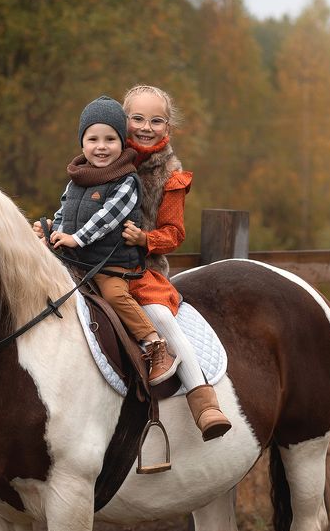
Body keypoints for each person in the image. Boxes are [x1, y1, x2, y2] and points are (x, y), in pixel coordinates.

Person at [34, 95, 179, 385]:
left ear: (122, 143)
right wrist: (51, 234)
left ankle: (154, 344)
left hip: (109, 265)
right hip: (76, 261)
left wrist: (76, 239)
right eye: (93, 139)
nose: (101, 147)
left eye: (110, 139)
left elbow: (108, 218)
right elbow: (64, 211)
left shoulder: (126, 181)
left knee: (114, 294)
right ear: (82, 143)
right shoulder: (76, 178)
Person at [121, 84, 232, 441]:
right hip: (97, 263)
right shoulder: (105, 153)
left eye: (156, 120)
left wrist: (145, 239)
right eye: (137, 118)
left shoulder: (171, 173)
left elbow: (174, 233)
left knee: (161, 318)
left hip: (143, 268)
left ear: (167, 127)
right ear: (124, 121)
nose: (145, 127)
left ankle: (203, 399)